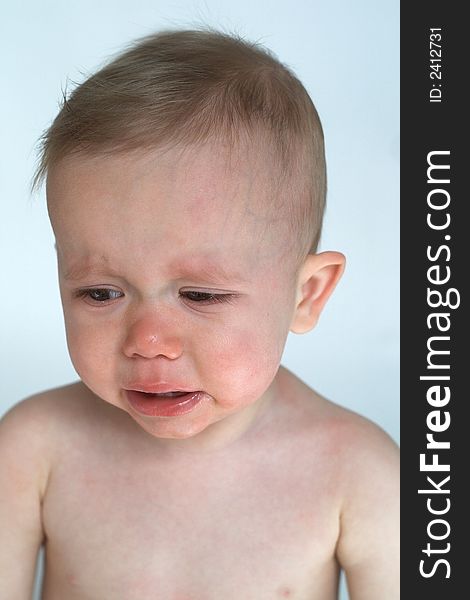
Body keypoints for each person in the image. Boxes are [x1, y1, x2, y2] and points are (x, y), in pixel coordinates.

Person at [0, 27, 399, 599]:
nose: (150, 340)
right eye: (100, 293)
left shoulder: (360, 476)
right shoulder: (33, 450)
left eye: (201, 296)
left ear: (305, 295)